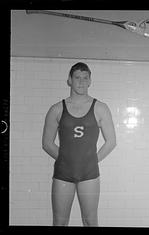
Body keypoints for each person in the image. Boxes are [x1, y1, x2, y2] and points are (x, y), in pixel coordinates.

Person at [42, 62, 116, 226]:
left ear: (90, 81)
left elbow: (111, 142)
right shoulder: (57, 109)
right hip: (63, 173)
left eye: (85, 78)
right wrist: (65, 159)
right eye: (77, 78)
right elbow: (47, 143)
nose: (81, 82)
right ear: (69, 80)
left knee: (90, 221)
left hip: (89, 173)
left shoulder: (100, 108)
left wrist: (91, 160)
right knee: (60, 222)